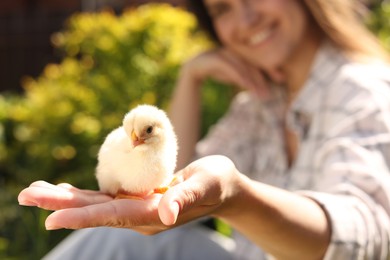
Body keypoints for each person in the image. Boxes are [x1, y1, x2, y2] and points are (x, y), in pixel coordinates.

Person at [17, 0, 390, 259]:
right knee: (127, 244)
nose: (244, 21)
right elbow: (174, 180)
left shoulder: (363, 90)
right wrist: (189, 78)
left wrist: (238, 198)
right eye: (222, 8)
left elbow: (363, 237)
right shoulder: (261, 104)